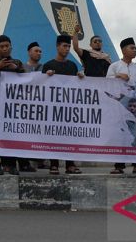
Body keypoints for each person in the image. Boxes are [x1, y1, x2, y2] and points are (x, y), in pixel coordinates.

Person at [42, 35, 84, 175]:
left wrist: (80, 77)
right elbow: (40, 86)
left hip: (69, 107)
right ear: (57, 46)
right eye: (64, 46)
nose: (67, 49)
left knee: (69, 136)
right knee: (54, 136)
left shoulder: (72, 65)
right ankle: (54, 164)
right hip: (53, 109)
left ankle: (70, 164)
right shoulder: (48, 65)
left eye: (69, 47)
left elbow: (76, 85)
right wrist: (45, 76)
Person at [0, 34, 24, 175]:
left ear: (11, 47)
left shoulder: (18, 63)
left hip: (13, 107)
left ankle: (11, 164)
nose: (5, 49)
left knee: (12, 134)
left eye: (7, 46)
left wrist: (16, 70)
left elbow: (26, 81)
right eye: (2, 46)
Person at [106, 37, 136, 174]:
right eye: (131, 48)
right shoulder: (115, 66)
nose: (134, 51)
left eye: (135, 48)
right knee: (120, 135)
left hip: (134, 108)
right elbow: (107, 83)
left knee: (134, 136)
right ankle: (118, 165)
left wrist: (130, 80)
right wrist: (118, 78)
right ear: (123, 50)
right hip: (119, 107)